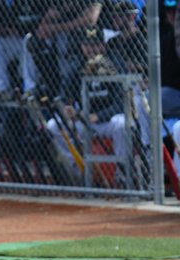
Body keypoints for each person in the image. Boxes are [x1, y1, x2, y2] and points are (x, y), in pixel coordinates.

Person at [44, 27, 133, 183]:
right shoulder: (76, 65)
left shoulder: (115, 63)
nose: (91, 49)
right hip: (84, 121)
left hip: (108, 120)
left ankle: (122, 175)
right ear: (82, 46)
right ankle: (80, 169)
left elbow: (122, 103)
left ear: (103, 46)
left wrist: (99, 116)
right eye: (88, 45)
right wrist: (68, 108)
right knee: (53, 125)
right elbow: (65, 95)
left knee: (122, 124)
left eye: (96, 44)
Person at [19, 0, 103, 100]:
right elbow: (50, 17)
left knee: (71, 37)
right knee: (30, 39)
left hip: (95, 34)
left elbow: (90, 19)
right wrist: (44, 29)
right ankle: (31, 89)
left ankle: (66, 88)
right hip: (65, 32)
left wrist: (55, 28)